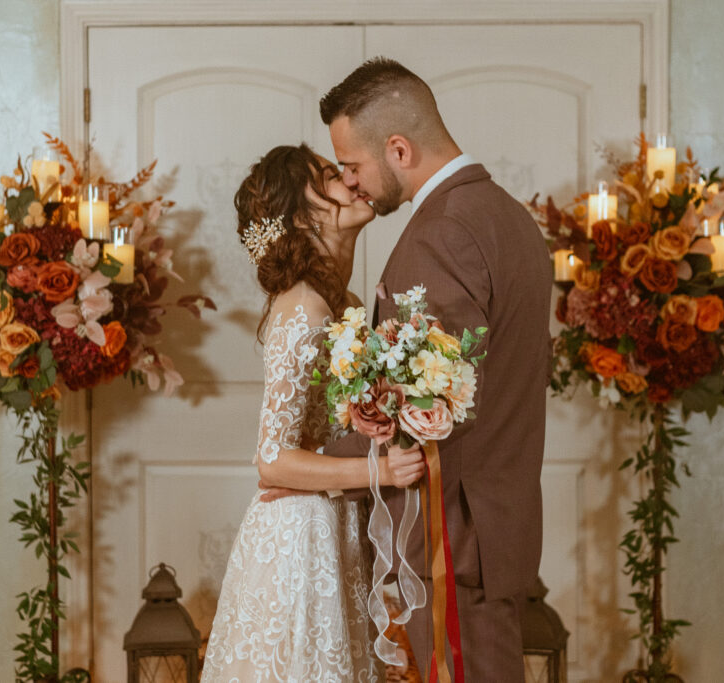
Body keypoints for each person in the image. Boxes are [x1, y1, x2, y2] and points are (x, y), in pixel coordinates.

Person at [285, 57, 553, 681]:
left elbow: (429, 407)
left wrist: (317, 468)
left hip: (454, 533)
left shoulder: (444, 232)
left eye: (352, 165)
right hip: (494, 522)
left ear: (399, 149)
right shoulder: (506, 215)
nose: (350, 182)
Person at [200, 144, 425, 681]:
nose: (350, 180)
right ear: (301, 217)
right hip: (300, 538)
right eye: (329, 175)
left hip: (337, 522)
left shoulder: (342, 302)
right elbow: (272, 461)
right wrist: (380, 471)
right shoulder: (303, 308)